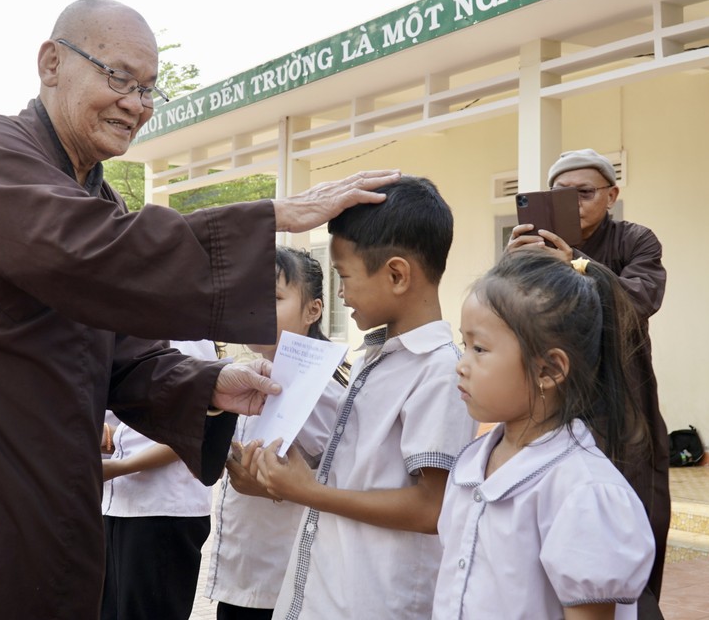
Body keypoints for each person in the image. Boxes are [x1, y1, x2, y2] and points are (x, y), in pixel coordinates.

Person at [0, 0, 402, 620]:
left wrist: (208, 382)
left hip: (38, 472)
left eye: (149, 90)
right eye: (119, 78)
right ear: (51, 64)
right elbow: (86, 254)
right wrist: (272, 216)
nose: (137, 104)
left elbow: (117, 347)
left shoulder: (98, 200)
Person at [246, 176, 478, 620]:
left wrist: (309, 491)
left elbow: (431, 507)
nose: (339, 293)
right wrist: (281, 478)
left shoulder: (439, 371)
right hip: (329, 590)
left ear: (396, 274)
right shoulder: (376, 359)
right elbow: (357, 474)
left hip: (375, 599)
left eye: (344, 276)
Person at [433, 249, 656, 619]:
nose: (461, 365)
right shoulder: (472, 462)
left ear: (549, 369)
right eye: (463, 345)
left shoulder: (583, 493)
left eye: (480, 349)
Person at [507, 148, 669, 616]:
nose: (574, 203)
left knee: (639, 520)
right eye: (560, 195)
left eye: (585, 192)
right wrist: (512, 267)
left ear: (612, 195)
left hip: (624, 404)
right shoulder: (532, 249)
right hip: (555, 402)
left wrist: (575, 263)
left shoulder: (636, 241)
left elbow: (639, 301)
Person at [206, 247, 345, 620]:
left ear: (313, 310)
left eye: (274, 297)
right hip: (242, 577)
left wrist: (270, 486)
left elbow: (342, 485)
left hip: (285, 587)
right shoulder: (247, 375)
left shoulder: (322, 390)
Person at [100, 339, 222, 620]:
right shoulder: (135, 331)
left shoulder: (187, 336)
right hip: (120, 504)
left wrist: (120, 466)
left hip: (164, 510)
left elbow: (195, 429)